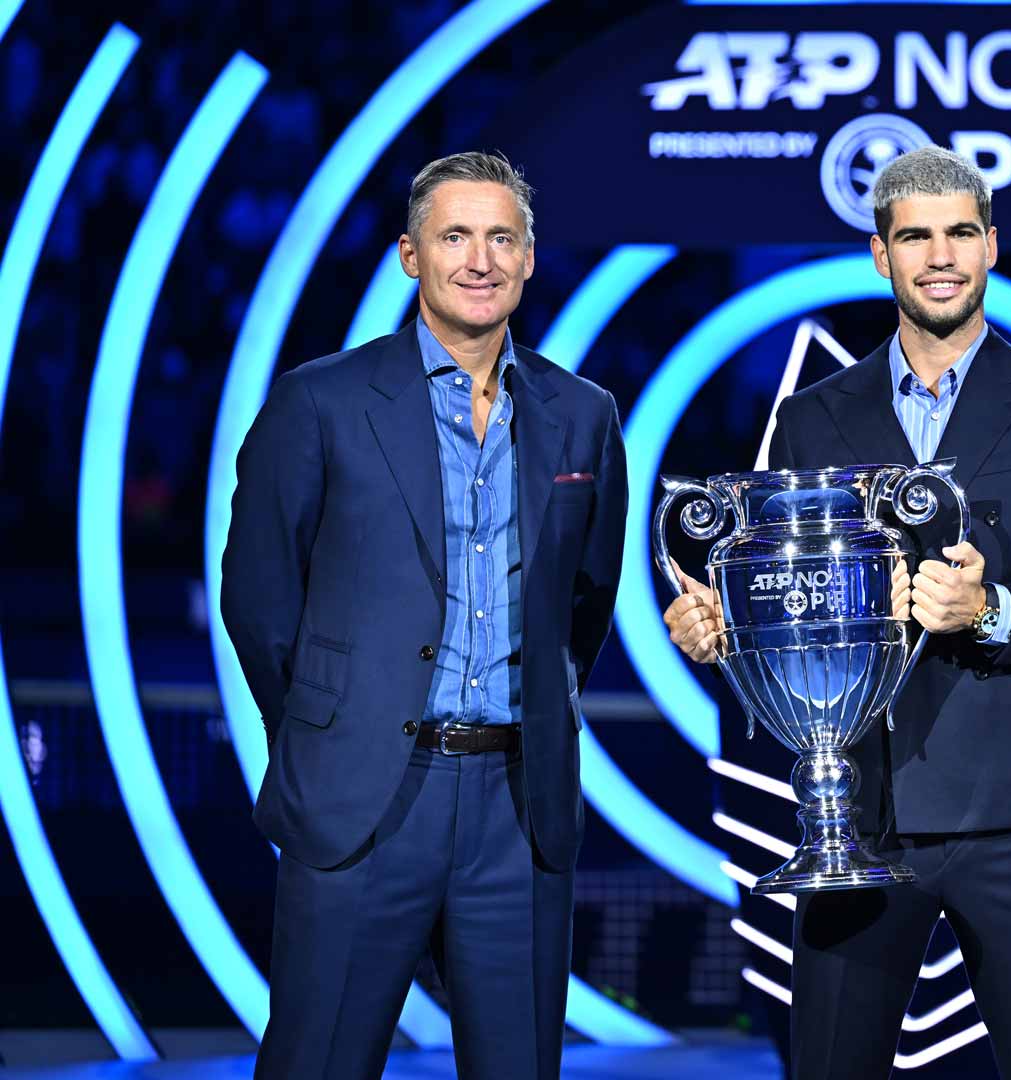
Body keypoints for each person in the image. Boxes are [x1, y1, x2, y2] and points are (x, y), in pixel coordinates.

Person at [664, 145, 1011, 1079]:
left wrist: (990, 606)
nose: (940, 256)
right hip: (858, 811)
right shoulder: (812, 416)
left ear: (992, 247)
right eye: (915, 236)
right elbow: (793, 594)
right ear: (880, 255)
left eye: (961, 232)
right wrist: (727, 631)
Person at [224, 150, 628, 1080]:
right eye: (455, 236)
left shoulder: (583, 414)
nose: (478, 259)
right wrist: (330, 728)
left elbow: (587, 600)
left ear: (529, 259)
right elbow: (257, 598)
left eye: (500, 238)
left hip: (518, 810)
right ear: (412, 255)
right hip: (363, 795)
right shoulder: (319, 400)